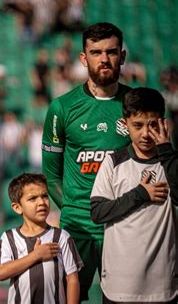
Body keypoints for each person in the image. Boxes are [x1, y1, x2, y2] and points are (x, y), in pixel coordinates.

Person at [41, 22, 131, 302]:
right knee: (69, 299)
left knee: (122, 299)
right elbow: (51, 175)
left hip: (124, 224)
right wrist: (72, 208)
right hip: (78, 227)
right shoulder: (62, 108)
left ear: (122, 56)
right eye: (95, 52)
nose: (104, 59)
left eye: (111, 52)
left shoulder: (136, 105)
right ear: (83, 58)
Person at [90, 88, 177, 303]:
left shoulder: (172, 163)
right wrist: (140, 194)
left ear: (163, 124)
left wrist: (166, 150)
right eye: (138, 125)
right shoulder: (113, 162)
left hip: (164, 289)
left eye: (153, 125)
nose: (146, 133)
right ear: (125, 124)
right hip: (119, 289)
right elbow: (98, 212)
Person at [0, 173, 83, 303]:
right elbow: (1, 272)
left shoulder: (61, 237)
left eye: (44, 196)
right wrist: (35, 255)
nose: (41, 202)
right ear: (17, 207)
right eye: (32, 198)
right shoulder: (9, 237)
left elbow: (72, 279)